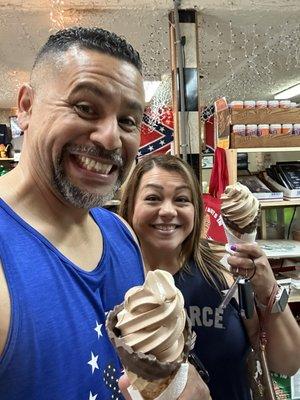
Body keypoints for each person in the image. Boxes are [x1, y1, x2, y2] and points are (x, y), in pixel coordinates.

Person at [0, 27, 210, 400]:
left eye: (129, 121)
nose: (111, 138)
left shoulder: (122, 235)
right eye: (85, 107)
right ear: (27, 107)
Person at [119, 153, 300, 400]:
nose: (168, 211)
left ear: (196, 210)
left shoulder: (225, 268)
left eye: (182, 199)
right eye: (153, 198)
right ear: (130, 205)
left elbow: (288, 362)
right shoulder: (116, 278)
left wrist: (268, 288)